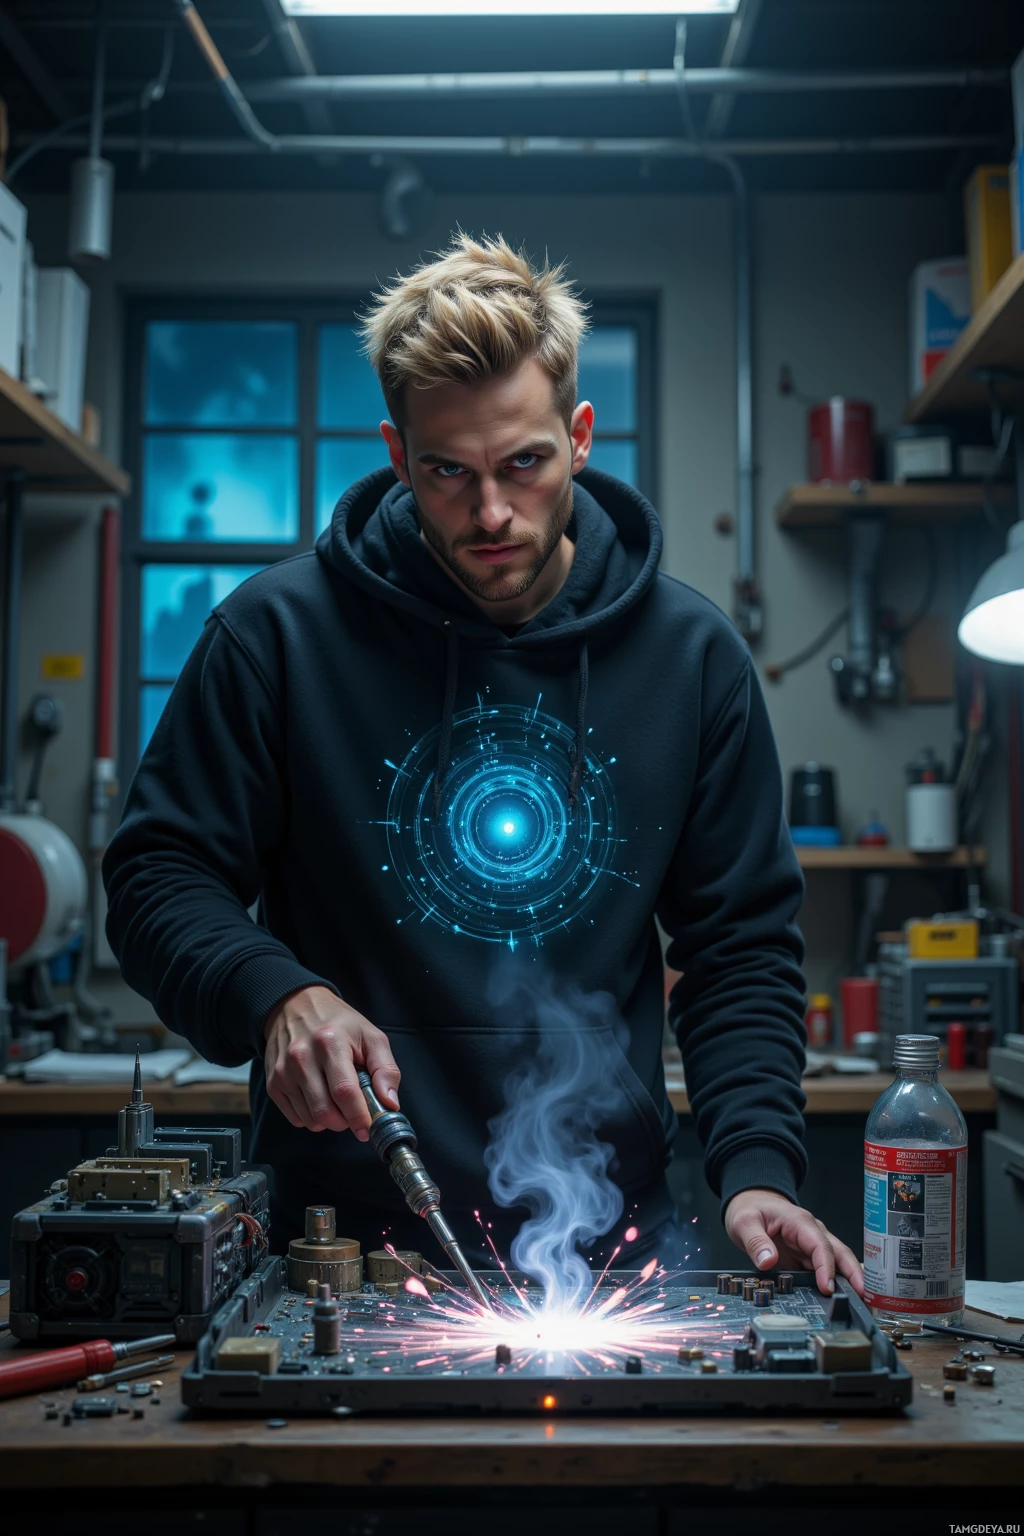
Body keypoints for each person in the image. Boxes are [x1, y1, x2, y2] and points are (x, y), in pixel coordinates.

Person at [104, 233, 862, 1296]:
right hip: (342, 1250)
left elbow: (736, 948)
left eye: (523, 464)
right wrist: (271, 993)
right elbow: (152, 879)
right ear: (395, 451)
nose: (491, 513)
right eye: (447, 473)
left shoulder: (694, 664)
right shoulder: (273, 638)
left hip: (617, 1255)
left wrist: (756, 1171)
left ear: (580, 436)